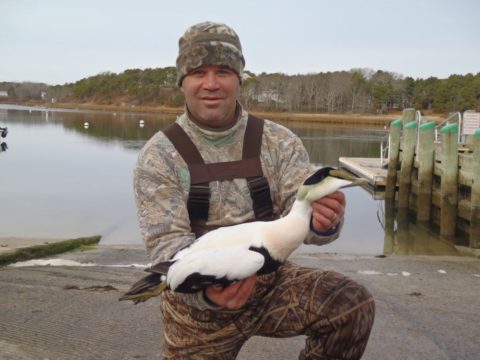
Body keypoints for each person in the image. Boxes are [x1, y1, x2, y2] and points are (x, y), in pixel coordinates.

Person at [133, 21, 375, 359]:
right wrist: (208, 294)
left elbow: (306, 214)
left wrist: (324, 221)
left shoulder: (278, 141)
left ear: (239, 78)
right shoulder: (158, 156)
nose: (212, 84)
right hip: (199, 307)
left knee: (351, 306)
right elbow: (166, 246)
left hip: (270, 286)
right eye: (199, 72)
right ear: (182, 82)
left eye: (224, 71)